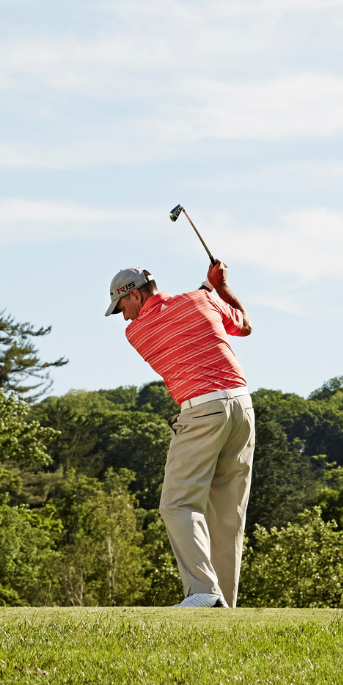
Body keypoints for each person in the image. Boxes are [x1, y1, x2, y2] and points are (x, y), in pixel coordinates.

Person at [106, 260, 253, 608]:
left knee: (177, 504)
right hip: (243, 408)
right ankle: (222, 604)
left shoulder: (138, 332)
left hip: (203, 411)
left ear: (137, 295)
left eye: (123, 306)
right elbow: (244, 325)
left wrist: (208, 285)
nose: (124, 317)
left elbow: (185, 304)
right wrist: (219, 286)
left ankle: (202, 591)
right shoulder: (201, 301)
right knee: (228, 515)